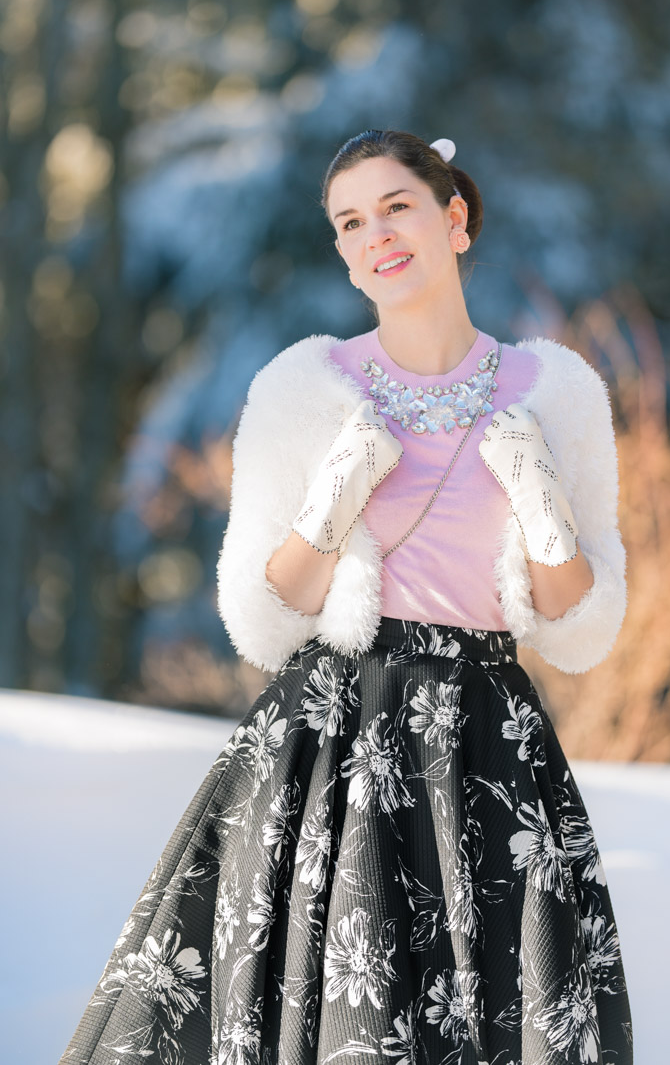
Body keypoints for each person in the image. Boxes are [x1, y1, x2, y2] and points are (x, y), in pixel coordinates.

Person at [60, 129, 633, 1065]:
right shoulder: (303, 385)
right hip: (331, 740)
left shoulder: (557, 390)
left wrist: (541, 500)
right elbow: (263, 614)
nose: (378, 234)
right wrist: (335, 495)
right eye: (351, 221)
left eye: (397, 206)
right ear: (341, 249)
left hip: (489, 743)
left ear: (454, 218)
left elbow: (582, 624)